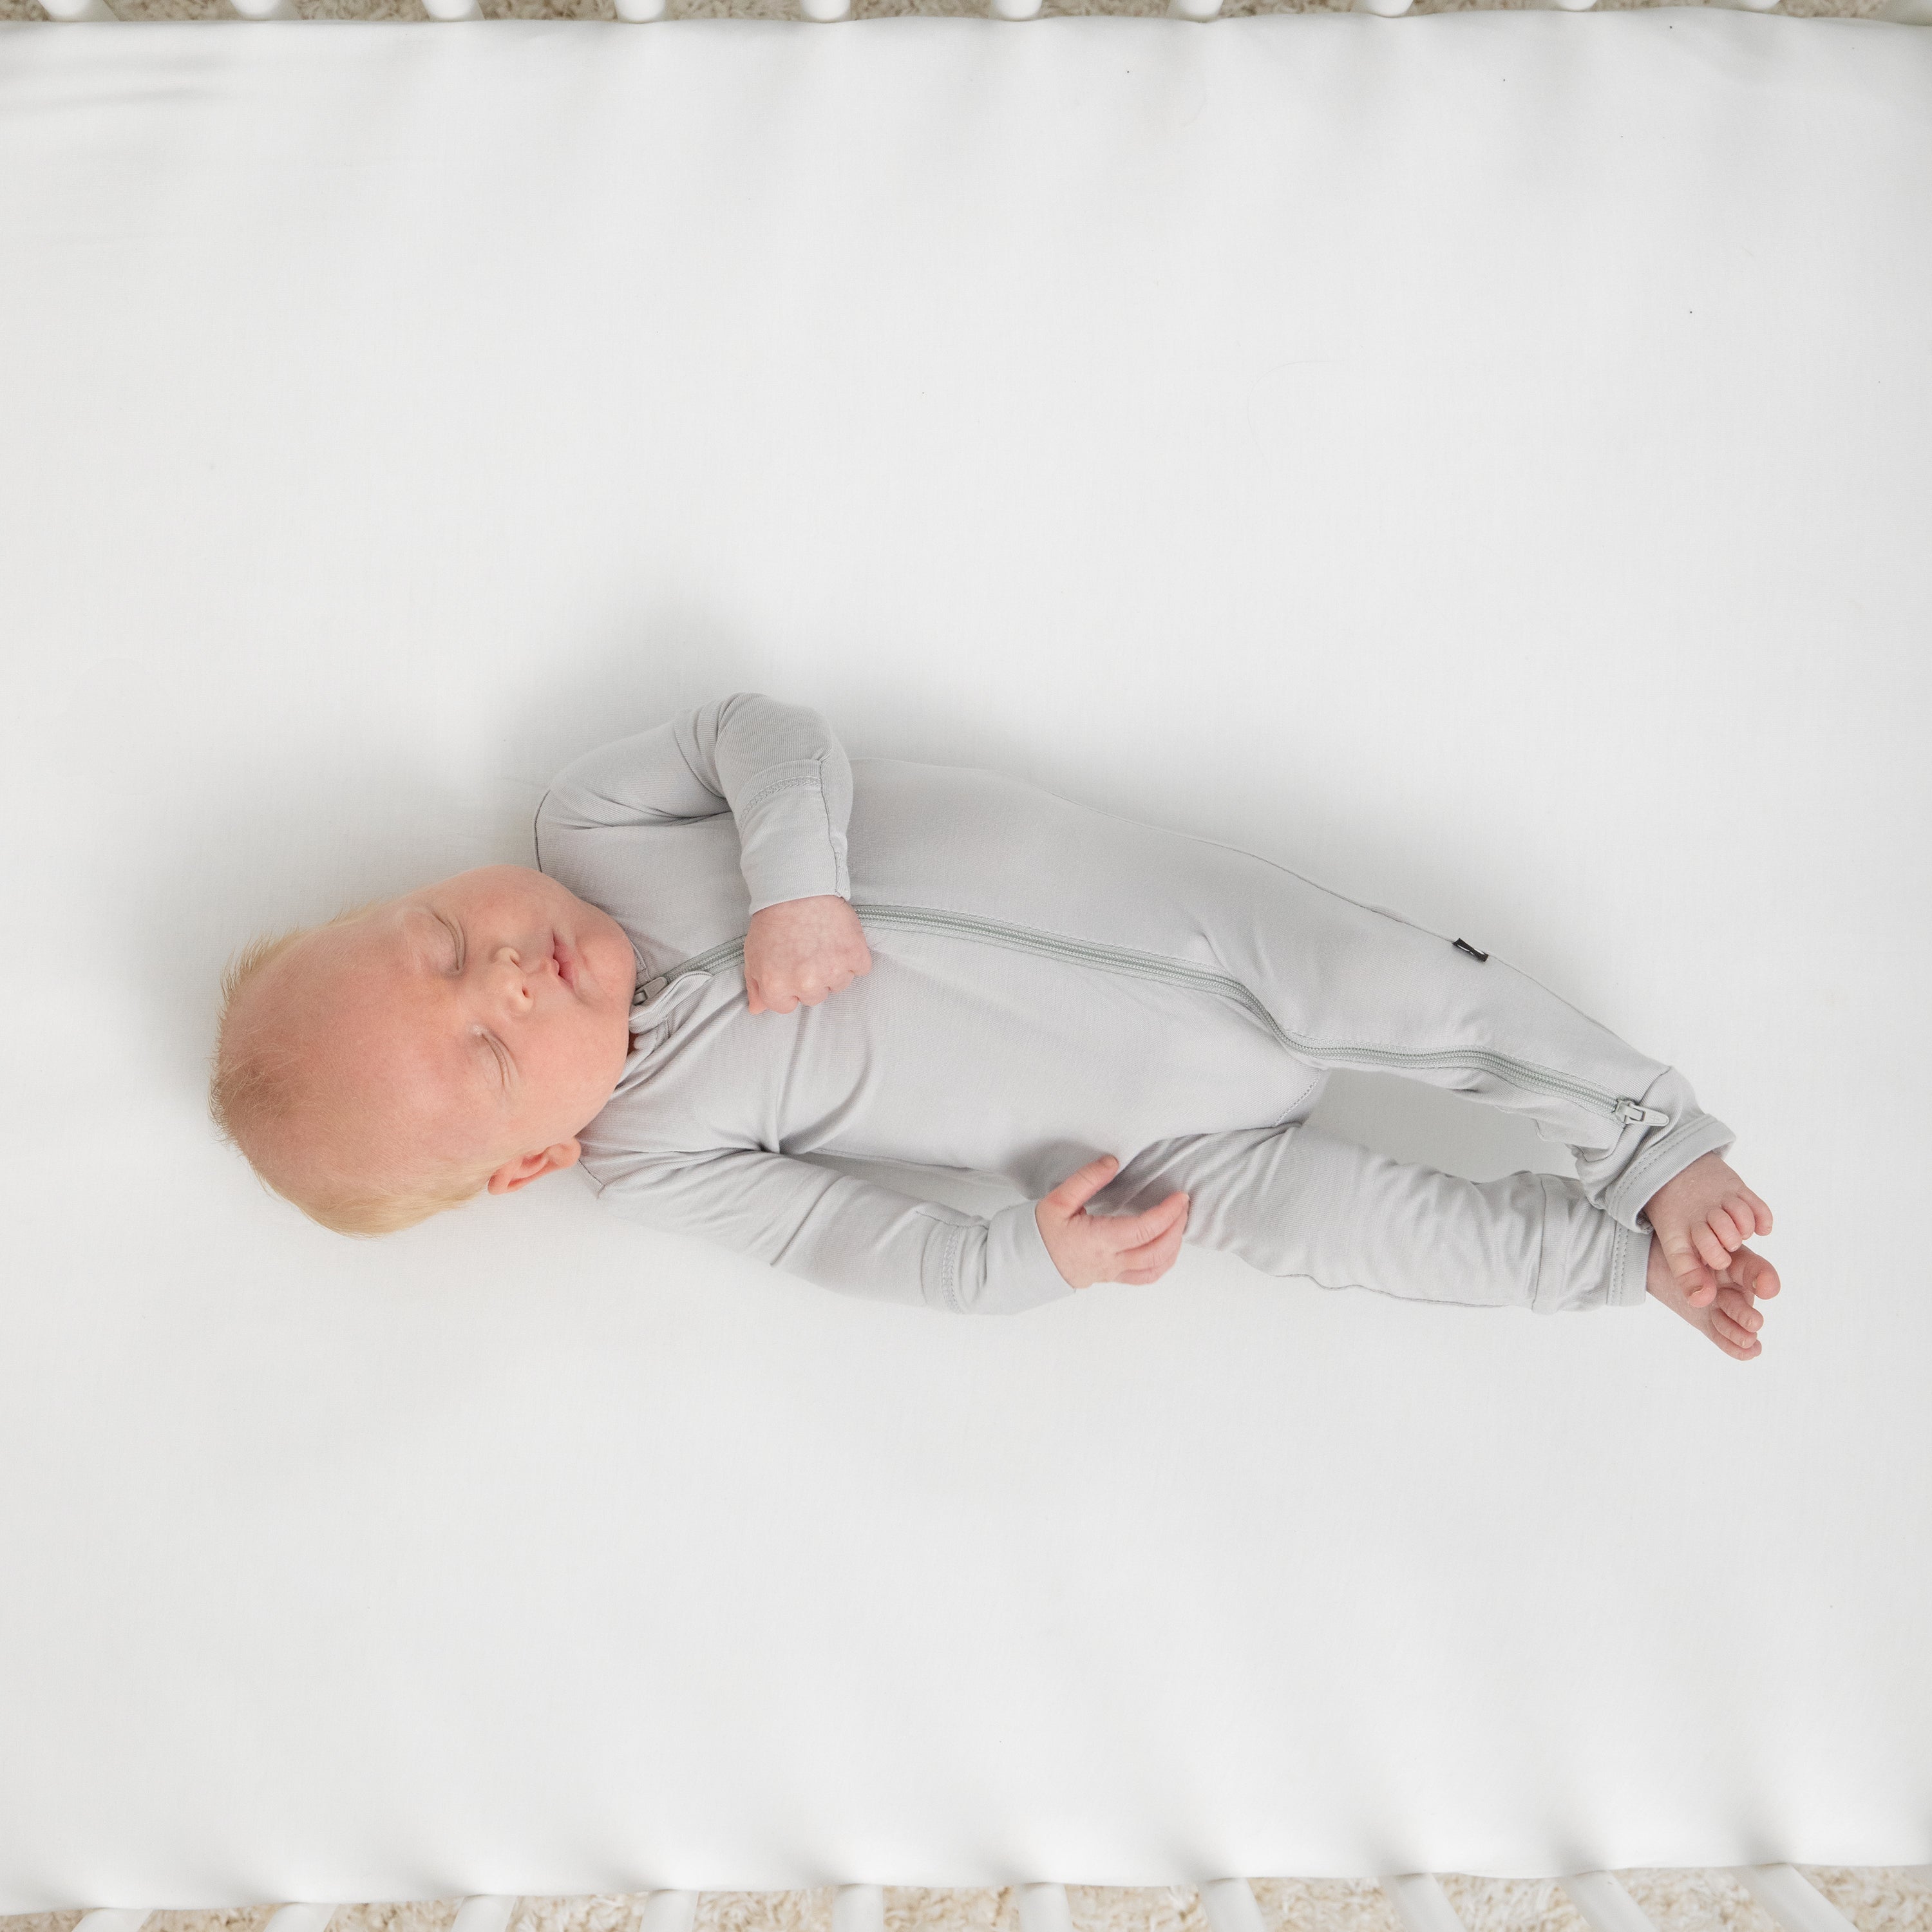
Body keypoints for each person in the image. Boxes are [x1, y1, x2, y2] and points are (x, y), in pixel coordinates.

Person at [209, 692, 1779, 1357]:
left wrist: (796, 881)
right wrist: (1034, 1258)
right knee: (1349, 1228)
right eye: (488, 1049)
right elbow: (862, 1247)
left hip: (1194, 925)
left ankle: (1650, 1145)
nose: (503, 972)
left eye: (437, 934)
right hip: (1157, 1153)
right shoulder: (657, 1157)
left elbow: (764, 729)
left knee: (1421, 998)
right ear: (527, 1162)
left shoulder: (593, 821)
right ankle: (1623, 1264)